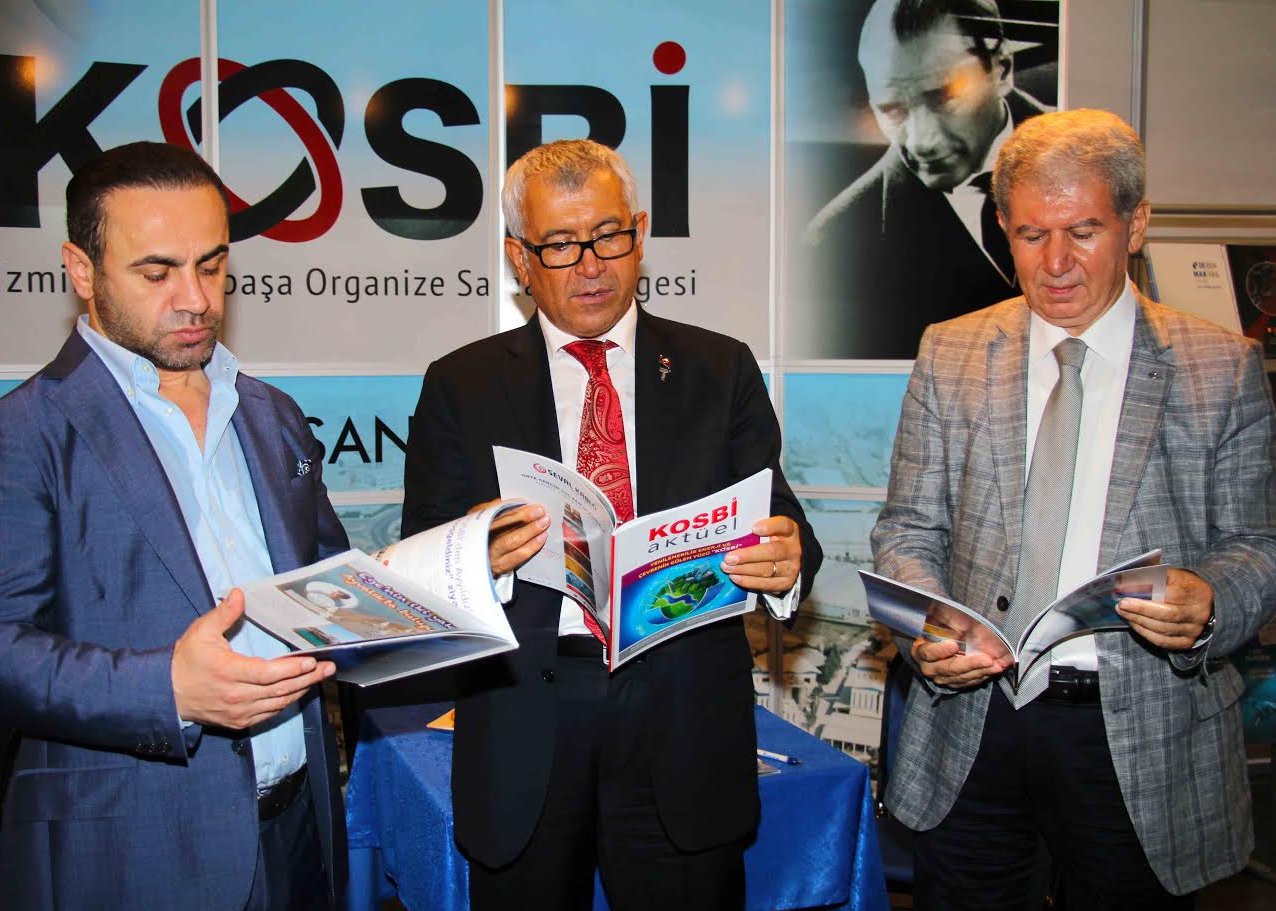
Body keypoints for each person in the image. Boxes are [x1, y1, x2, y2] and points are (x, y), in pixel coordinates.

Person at [403, 139, 823, 910]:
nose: (590, 265)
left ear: (640, 232)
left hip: (683, 718)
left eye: (607, 236)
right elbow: (421, 556)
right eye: (560, 245)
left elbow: (778, 513)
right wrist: (474, 551)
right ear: (519, 258)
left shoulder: (718, 368)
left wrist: (787, 561)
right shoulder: (461, 384)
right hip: (527, 715)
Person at [872, 108, 1276, 909]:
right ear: (1002, 228)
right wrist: (929, 623)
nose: (1054, 263)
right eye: (1030, 234)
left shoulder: (1220, 366)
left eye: (1082, 232)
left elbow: (1256, 544)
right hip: (974, 724)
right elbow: (908, 529)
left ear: (1135, 224)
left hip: (1142, 728)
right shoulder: (950, 351)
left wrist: (1208, 600)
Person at [0, 142, 349, 909]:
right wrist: (168, 689)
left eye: (212, 266)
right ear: (81, 270)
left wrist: (452, 567)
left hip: (299, 835)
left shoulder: (272, 414)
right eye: (157, 273)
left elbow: (326, 583)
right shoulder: (18, 433)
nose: (195, 298)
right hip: (131, 854)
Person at [802, 0, 1051, 359]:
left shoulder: (1087, 176)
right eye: (893, 110)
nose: (922, 141)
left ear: (1002, 69)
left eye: (945, 98)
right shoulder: (834, 238)